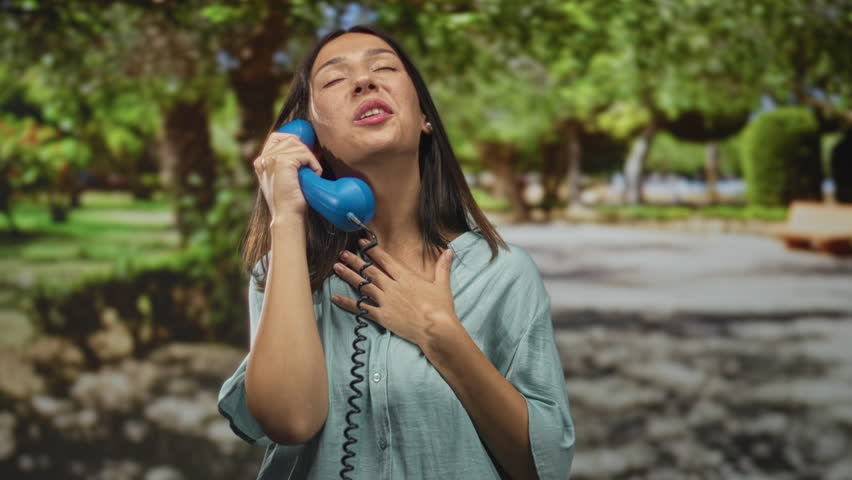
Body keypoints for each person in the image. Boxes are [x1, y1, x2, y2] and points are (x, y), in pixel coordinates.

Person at [217, 25, 575, 480]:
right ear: (308, 139)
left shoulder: (502, 272)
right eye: (333, 80)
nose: (365, 82)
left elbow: (545, 465)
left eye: (384, 68)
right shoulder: (284, 273)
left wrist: (439, 333)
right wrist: (286, 217)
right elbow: (289, 420)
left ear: (425, 117)